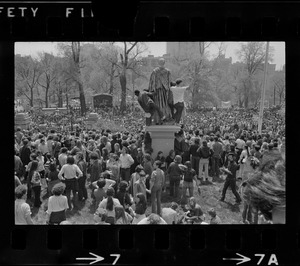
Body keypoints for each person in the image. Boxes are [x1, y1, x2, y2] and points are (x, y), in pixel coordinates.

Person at [242, 158, 285, 224]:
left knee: (250, 211)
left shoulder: (253, 174)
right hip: (251, 195)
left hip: (252, 195)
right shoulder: (255, 175)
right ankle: (248, 220)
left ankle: (250, 220)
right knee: (250, 210)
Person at [148, 57, 173, 124]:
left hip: (158, 90)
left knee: (158, 104)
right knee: (164, 104)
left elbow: (151, 82)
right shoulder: (167, 71)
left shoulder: (155, 71)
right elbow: (170, 82)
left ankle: (158, 119)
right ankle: (164, 117)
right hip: (163, 90)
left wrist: (151, 90)